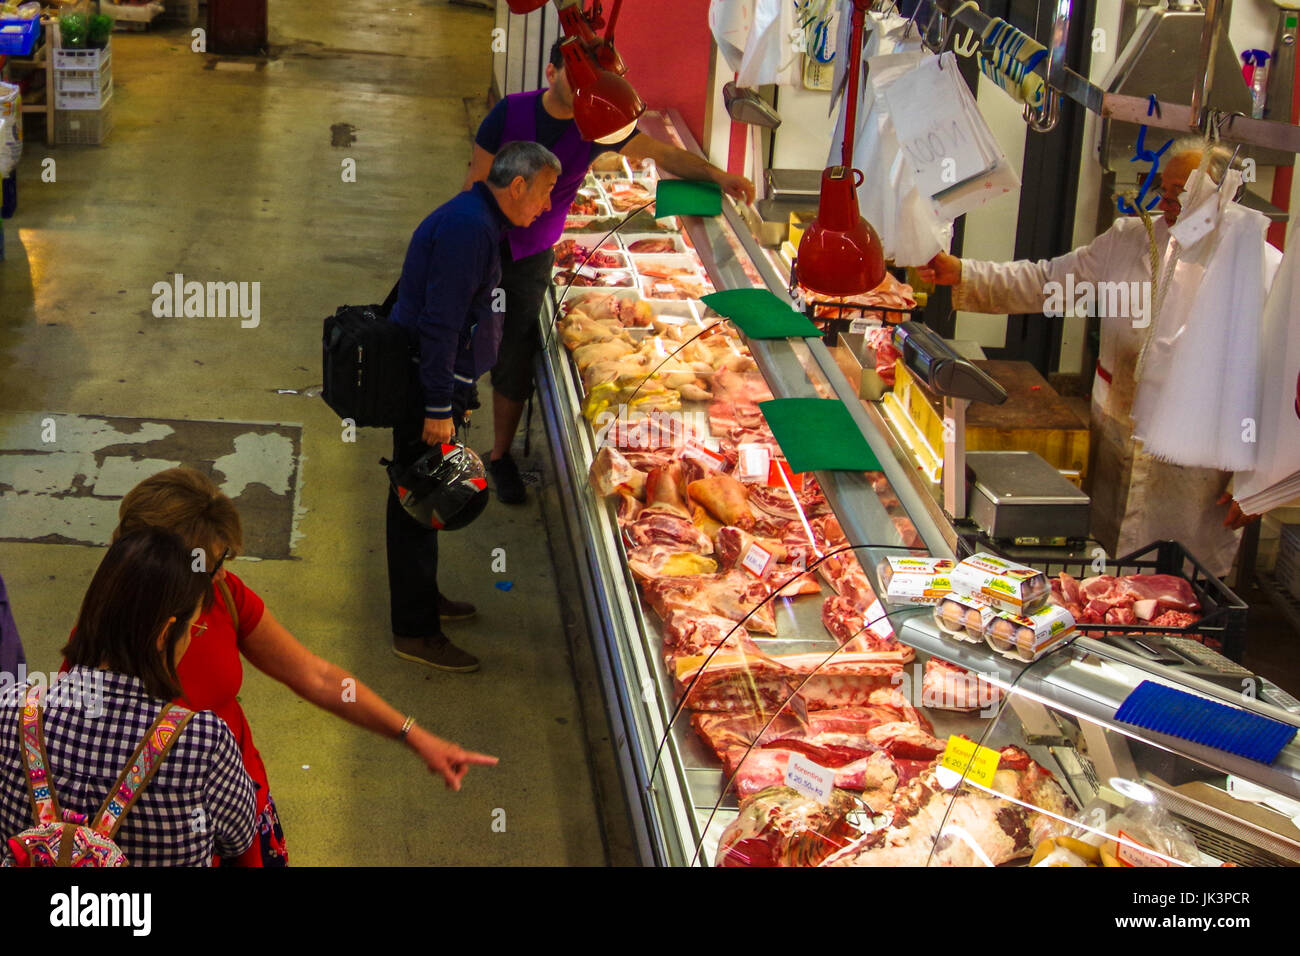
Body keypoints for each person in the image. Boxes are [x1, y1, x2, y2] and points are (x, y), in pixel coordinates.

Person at [919, 139, 1275, 577]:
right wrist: (965, 272)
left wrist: (1259, 486)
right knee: (1109, 574)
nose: (1166, 201)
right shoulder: (1129, 241)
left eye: (1181, 192)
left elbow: (1278, 387)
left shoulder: (1260, 268)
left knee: (1180, 585)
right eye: (1164, 189)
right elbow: (1049, 280)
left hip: (1200, 471)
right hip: (1117, 439)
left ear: (1223, 196)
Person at [111, 467, 499, 866]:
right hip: (166, 836)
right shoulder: (101, 637)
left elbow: (316, 676)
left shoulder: (222, 594)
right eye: (210, 564)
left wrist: (413, 736)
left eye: (222, 558)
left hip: (243, 809)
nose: (223, 573)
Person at [464, 40, 758, 505]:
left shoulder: (596, 124)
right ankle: (442, 436)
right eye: (575, 76)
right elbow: (475, 184)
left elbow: (661, 152)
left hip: (532, 258)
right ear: (550, 72)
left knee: (513, 355)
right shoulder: (508, 113)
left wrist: (719, 177)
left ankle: (498, 456)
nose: (584, 88)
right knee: (460, 338)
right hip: (486, 246)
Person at [388, 140, 560, 671]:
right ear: (517, 187)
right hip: (426, 384)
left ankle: (423, 597)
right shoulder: (470, 229)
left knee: (425, 492)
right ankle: (415, 630)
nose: (548, 206)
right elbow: (439, 323)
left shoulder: (478, 218)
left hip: (437, 383)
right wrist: (438, 405)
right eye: (545, 193)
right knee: (417, 495)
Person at [0, 528, 258, 866]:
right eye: (193, 628)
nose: (191, 640)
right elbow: (239, 837)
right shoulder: (203, 742)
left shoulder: (11, 712)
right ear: (166, 633)